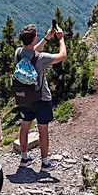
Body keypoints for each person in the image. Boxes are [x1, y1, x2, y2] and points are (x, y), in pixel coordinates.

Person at [16, 23, 67, 172]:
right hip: (42, 98)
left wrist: (46, 38)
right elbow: (62, 56)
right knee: (42, 129)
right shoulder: (41, 58)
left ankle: (24, 158)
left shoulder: (18, 53)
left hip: (25, 97)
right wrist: (60, 39)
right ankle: (45, 163)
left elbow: (31, 51)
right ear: (33, 39)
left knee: (24, 127)